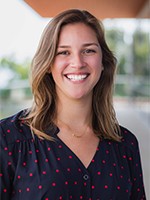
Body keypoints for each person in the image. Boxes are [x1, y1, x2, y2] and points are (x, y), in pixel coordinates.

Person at [0, 9, 146, 200]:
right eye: (63, 52)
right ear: (48, 64)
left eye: (88, 50)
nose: (77, 62)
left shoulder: (126, 144)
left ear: (103, 62)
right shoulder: (8, 138)